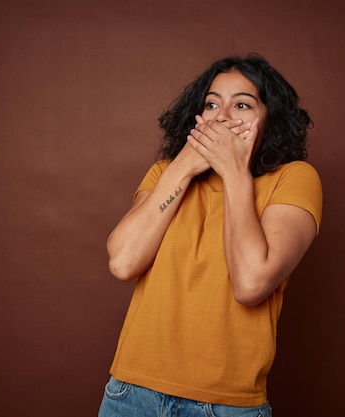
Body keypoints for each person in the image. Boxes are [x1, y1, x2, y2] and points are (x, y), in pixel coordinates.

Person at [98, 54, 322, 417]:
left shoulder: (294, 179)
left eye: (243, 105)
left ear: (271, 120)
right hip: (131, 393)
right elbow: (123, 262)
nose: (222, 116)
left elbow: (250, 284)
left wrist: (235, 171)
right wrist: (185, 164)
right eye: (212, 104)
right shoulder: (165, 174)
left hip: (225, 407)